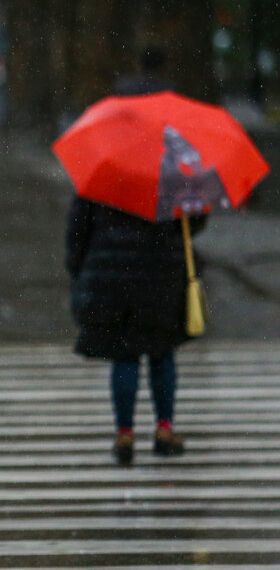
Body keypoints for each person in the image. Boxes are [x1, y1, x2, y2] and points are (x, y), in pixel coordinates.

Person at [66, 197, 204, 465]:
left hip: (112, 276)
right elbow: (193, 224)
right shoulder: (175, 177)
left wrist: (79, 269)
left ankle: (125, 435)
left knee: (124, 354)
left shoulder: (101, 177)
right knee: (162, 352)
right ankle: (164, 429)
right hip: (163, 273)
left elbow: (78, 231)